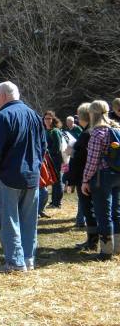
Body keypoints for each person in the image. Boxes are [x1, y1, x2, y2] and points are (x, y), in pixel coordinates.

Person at [0, 81, 46, 272]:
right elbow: (43, 147)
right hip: (32, 176)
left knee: (9, 220)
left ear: (3, 96)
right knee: (29, 220)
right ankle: (28, 259)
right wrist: (35, 166)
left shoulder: (1, 117)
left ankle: (15, 262)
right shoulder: (35, 116)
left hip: (7, 177)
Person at [81, 100, 120, 260]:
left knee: (103, 214)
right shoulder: (116, 129)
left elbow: (92, 161)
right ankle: (118, 247)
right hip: (118, 174)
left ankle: (106, 252)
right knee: (117, 212)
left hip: (102, 177)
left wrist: (85, 181)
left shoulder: (97, 133)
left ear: (92, 114)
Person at [64, 103, 98, 250]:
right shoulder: (93, 131)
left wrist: (72, 151)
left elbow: (81, 158)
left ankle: (92, 241)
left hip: (85, 176)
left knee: (88, 209)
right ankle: (94, 240)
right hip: (95, 176)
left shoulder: (87, 133)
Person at [44, 110, 64, 208]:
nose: (47, 120)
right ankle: (53, 201)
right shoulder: (45, 131)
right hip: (48, 160)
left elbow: (57, 148)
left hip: (56, 160)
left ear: (53, 119)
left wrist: (46, 151)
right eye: (45, 118)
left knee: (58, 181)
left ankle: (57, 203)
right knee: (53, 181)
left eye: (49, 118)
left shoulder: (55, 131)